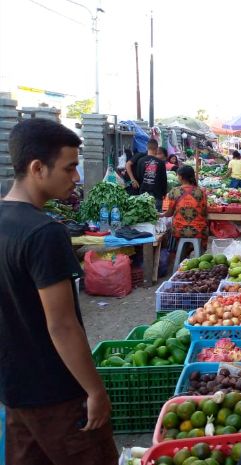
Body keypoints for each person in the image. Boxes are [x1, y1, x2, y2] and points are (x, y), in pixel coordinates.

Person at [1, 118, 118, 464]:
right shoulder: (44, 233)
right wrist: (95, 390)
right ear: (38, 168)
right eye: (69, 168)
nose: (77, 178)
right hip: (59, 394)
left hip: (14, 393)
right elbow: (62, 325)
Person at [161, 165, 209, 248]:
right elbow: (205, 212)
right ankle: (196, 253)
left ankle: (175, 254)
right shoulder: (201, 192)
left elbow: (169, 213)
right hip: (199, 230)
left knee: (172, 235)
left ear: (181, 177)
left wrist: (161, 214)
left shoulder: (174, 191)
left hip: (179, 230)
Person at [136, 139, 168, 211]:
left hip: (143, 194)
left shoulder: (140, 161)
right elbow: (164, 179)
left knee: (144, 216)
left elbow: (138, 176)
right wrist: (164, 193)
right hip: (157, 194)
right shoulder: (161, 162)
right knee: (156, 217)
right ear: (157, 148)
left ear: (147, 148)